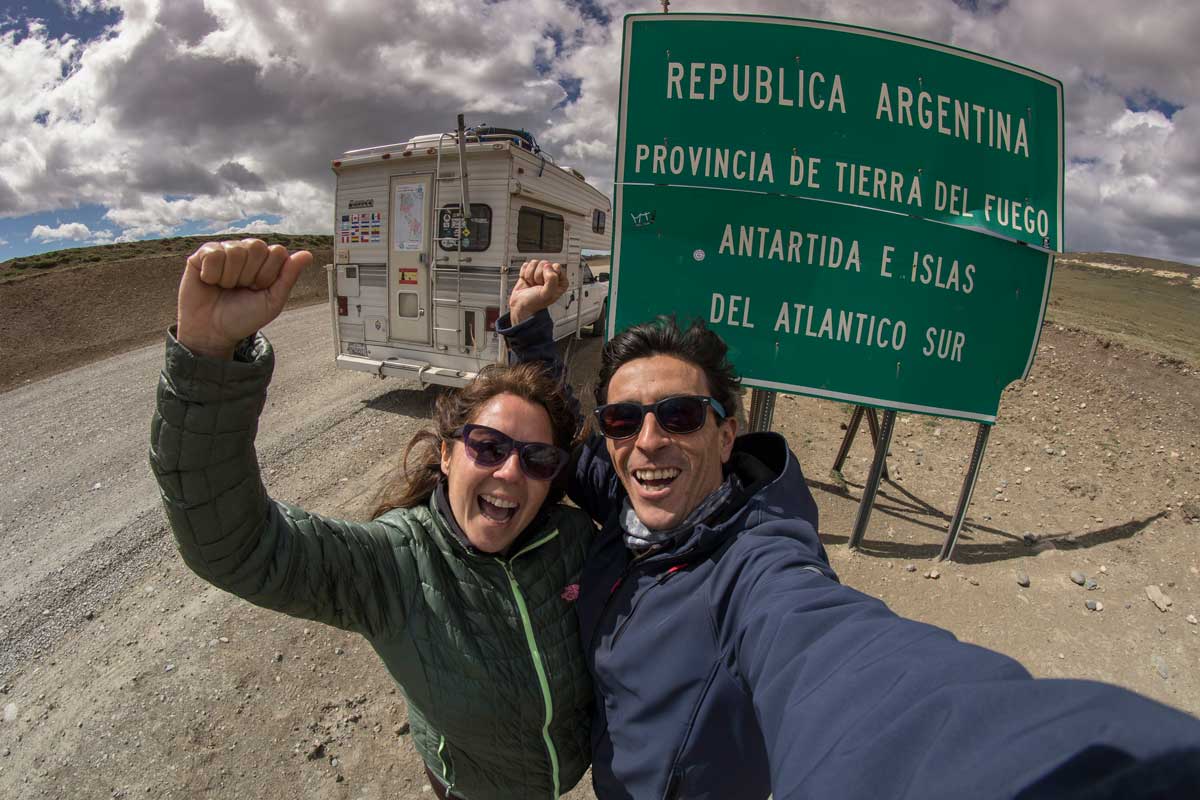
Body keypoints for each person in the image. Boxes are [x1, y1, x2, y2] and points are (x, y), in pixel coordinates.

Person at [499, 264, 1200, 800]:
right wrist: (531, 325)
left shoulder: (757, 562)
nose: (647, 442)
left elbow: (843, 663)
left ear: (726, 433)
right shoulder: (627, 498)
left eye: (679, 416)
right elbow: (569, 432)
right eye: (624, 420)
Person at [149, 240, 595, 800]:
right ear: (447, 454)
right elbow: (236, 546)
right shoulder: (394, 564)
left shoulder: (574, 541)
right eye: (487, 446)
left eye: (536, 459)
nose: (510, 472)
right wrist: (207, 356)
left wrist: (529, 323)